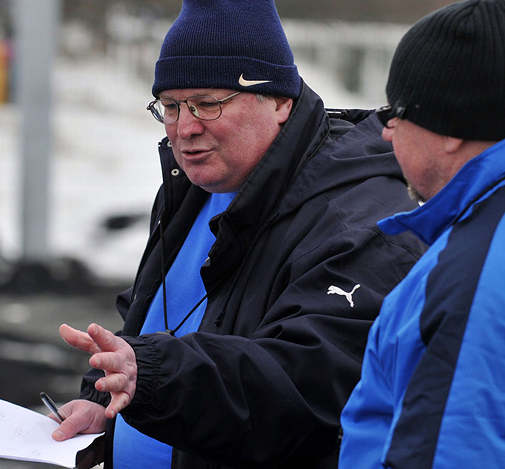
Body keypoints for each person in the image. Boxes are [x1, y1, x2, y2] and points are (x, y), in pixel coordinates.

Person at [49, 0, 426, 467]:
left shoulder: (362, 220)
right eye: (170, 106)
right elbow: (151, 323)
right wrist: (103, 399)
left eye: (208, 104)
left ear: (281, 101)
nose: (185, 128)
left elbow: (304, 388)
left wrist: (150, 375)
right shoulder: (195, 188)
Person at [339, 1, 505, 467]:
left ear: (450, 127)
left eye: (395, 112)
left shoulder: (476, 273)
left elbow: (454, 450)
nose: (387, 133)